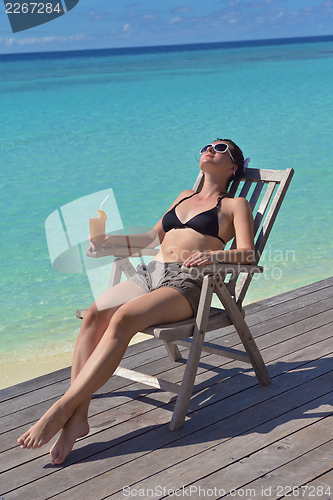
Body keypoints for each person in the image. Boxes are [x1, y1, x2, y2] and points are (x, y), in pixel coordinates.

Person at [17, 138, 255, 465]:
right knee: (93, 315)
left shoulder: (233, 205)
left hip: (187, 282)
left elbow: (248, 253)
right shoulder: (184, 196)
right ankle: (78, 417)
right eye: (206, 145)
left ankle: (61, 409)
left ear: (233, 167)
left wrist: (212, 254)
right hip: (151, 273)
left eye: (221, 147)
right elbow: (151, 238)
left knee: (123, 319)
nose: (210, 149)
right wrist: (107, 242)